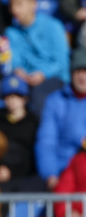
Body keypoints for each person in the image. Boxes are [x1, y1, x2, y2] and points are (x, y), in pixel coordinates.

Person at [5, 0, 70, 114]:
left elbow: (62, 62)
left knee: (38, 96)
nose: (14, 10)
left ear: (33, 5)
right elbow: (14, 61)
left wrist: (43, 73)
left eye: (19, 4)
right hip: (24, 78)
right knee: (3, 90)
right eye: (11, 5)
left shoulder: (53, 26)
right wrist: (18, 70)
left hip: (54, 78)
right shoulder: (11, 32)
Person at [35, 48, 86, 191]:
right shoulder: (55, 100)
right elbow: (46, 141)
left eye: (85, 71)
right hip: (62, 173)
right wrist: (50, 174)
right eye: (78, 71)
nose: (82, 76)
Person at [0, 75, 43, 192]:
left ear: (25, 99)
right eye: (8, 96)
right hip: (0, 176)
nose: (12, 100)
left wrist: (12, 170)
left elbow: (32, 155)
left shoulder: (34, 124)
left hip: (26, 177)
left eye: (17, 96)